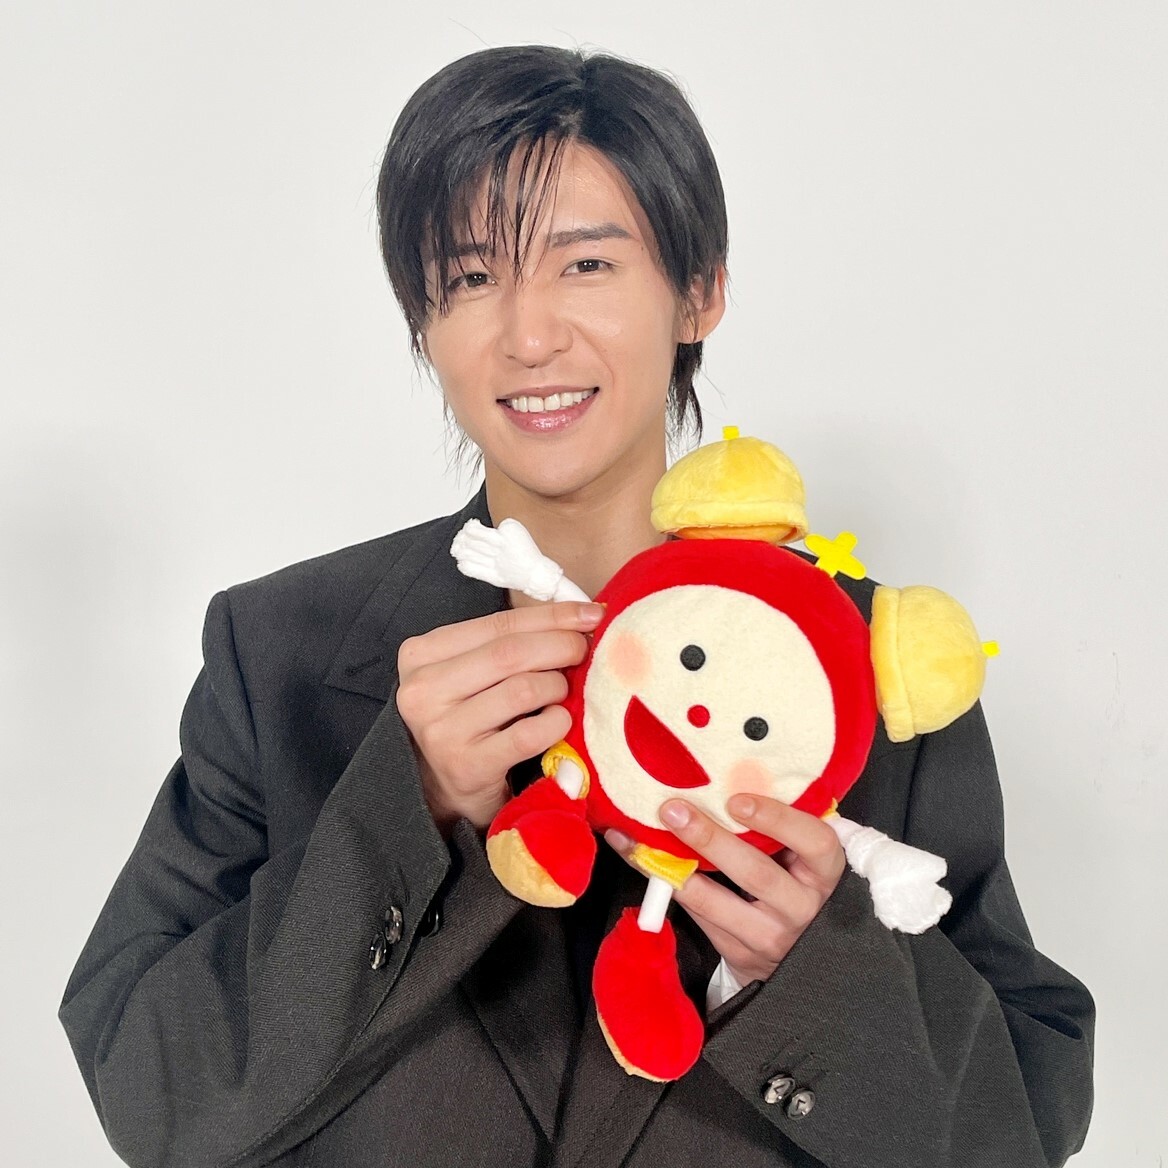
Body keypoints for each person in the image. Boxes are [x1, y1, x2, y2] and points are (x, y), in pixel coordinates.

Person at [59, 44, 1095, 1168]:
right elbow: (150, 1097)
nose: (528, 334)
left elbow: (1025, 1127)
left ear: (699, 291)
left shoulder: (868, 667)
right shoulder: (281, 655)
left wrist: (818, 974)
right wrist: (408, 812)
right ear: (422, 322)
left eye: (587, 263)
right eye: (470, 278)